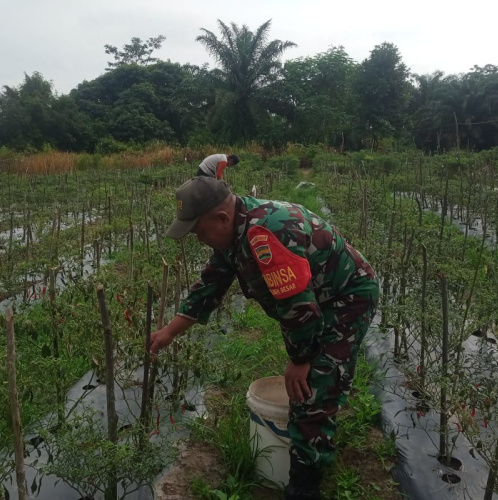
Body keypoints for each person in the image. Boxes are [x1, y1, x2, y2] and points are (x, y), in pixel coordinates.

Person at [150, 177, 379, 499]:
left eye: (199, 231)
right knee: (309, 381)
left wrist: (300, 360)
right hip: (317, 299)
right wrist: (169, 332)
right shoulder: (233, 234)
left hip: (347, 298)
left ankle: (304, 486)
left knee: (312, 389)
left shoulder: (267, 235)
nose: (199, 239)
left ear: (221, 218)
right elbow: (210, 285)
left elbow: (299, 308)